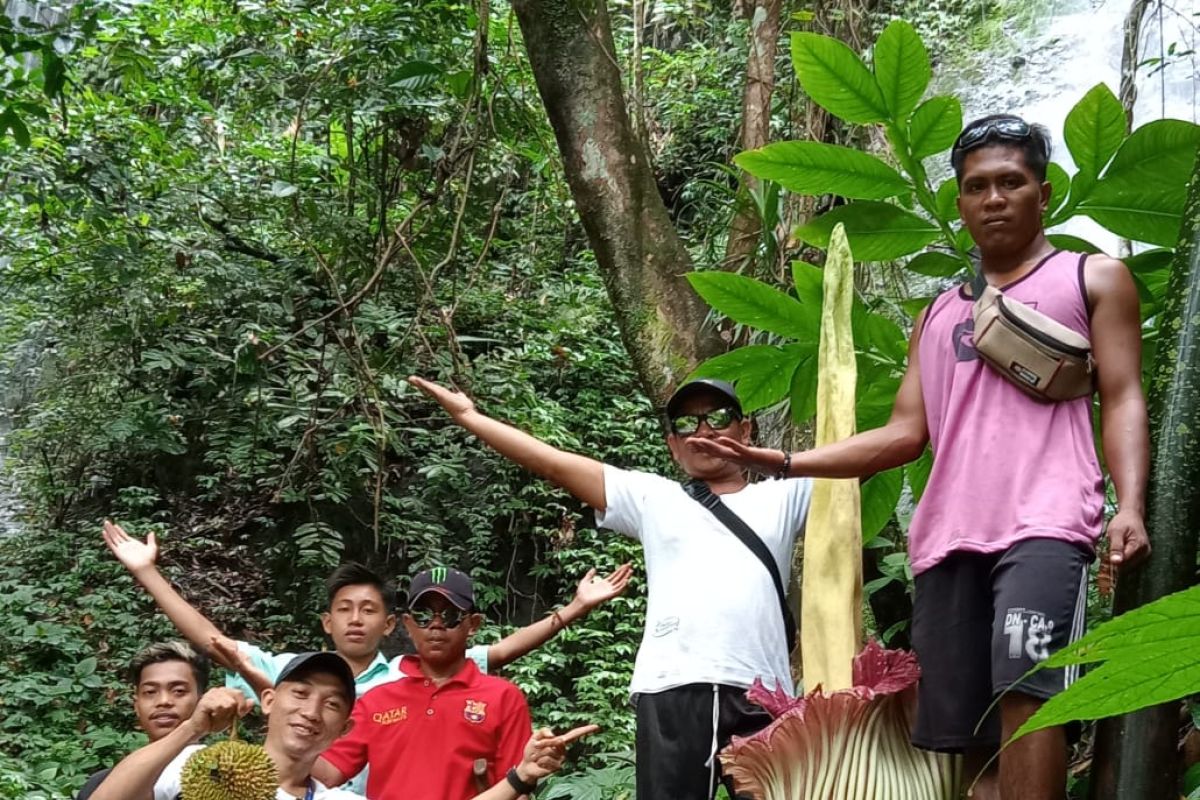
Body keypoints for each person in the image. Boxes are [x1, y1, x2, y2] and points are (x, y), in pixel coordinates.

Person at [690, 114, 1150, 800]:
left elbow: (1123, 397)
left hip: (1046, 525)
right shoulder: (935, 317)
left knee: (1030, 700)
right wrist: (783, 461)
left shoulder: (1093, 278)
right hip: (945, 542)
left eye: (1010, 182)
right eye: (977, 187)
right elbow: (905, 435)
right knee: (969, 739)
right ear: (959, 203)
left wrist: (1130, 505)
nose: (994, 198)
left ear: (1043, 193)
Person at [408, 374, 813, 800]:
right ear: (672, 446)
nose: (704, 431)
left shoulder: (785, 494)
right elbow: (551, 462)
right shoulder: (653, 497)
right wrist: (470, 417)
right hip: (674, 686)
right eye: (686, 424)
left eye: (718, 417)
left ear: (746, 430)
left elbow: (873, 452)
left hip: (763, 691)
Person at [89, 650, 588, 800]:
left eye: (330, 704)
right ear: (269, 700)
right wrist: (191, 728)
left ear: (345, 728)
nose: (310, 711)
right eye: (300, 693)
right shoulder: (200, 764)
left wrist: (519, 777)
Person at [312, 568, 534, 799]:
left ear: (473, 624)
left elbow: (518, 788)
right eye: (423, 615)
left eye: (450, 615)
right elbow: (328, 773)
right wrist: (282, 741)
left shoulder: (503, 697)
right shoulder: (375, 701)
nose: (436, 624)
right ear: (407, 624)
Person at [75, 641, 209, 800]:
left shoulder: (220, 772)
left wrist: (193, 728)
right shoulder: (99, 783)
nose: (164, 701)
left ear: (201, 701)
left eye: (179, 691)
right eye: (150, 692)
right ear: (136, 706)